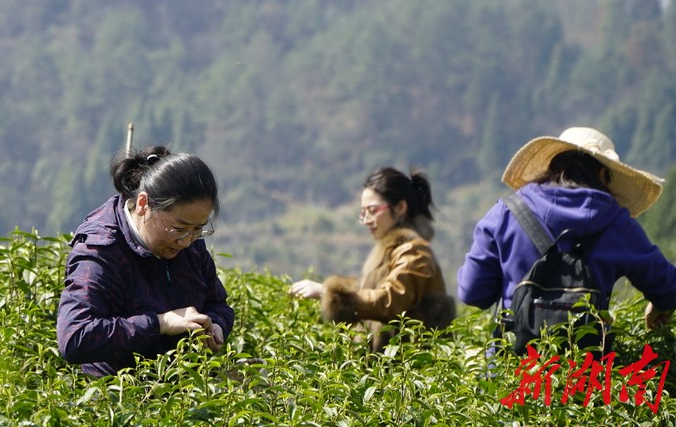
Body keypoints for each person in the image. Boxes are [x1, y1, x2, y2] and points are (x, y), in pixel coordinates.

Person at [458, 126, 676, 336]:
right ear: (602, 174)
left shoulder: (505, 214)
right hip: (584, 368)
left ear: (552, 166)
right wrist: (659, 304)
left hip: (511, 368)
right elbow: (669, 287)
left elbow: (473, 293)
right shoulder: (617, 224)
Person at [56, 146, 234, 377]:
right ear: (143, 204)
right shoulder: (101, 251)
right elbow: (75, 338)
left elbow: (217, 303)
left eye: (198, 229)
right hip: (119, 396)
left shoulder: (189, 241)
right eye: (178, 228)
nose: (186, 241)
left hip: (183, 389)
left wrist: (215, 325)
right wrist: (160, 323)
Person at [289, 167, 456, 352]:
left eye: (373, 210)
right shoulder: (391, 251)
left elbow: (390, 301)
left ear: (400, 207)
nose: (367, 219)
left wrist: (328, 293)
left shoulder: (415, 252)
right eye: (363, 213)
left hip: (407, 371)